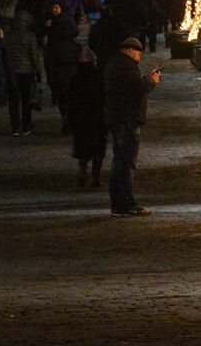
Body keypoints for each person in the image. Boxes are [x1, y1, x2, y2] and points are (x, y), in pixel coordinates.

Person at [103, 37, 160, 216]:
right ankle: (124, 205)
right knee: (126, 163)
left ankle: (121, 204)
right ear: (129, 50)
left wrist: (146, 78)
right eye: (138, 53)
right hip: (127, 119)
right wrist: (152, 81)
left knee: (121, 162)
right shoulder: (125, 66)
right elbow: (138, 87)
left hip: (120, 117)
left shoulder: (118, 64)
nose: (140, 57)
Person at [69, 48, 108, 187]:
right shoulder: (99, 76)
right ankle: (95, 177)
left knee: (82, 147)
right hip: (97, 116)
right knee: (98, 148)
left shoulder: (75, 77)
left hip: (81, 117)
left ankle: (83, 173)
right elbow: (105, 96)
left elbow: (70, 98)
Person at [3, 13, 45, 136]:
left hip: (12, 72)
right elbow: (34, 56)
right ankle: (26, 126)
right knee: (27, 101)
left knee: (14, 101)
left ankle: (15, 127)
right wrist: (38, 72)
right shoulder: (30, 36)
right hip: (27, 72)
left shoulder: (8, 36)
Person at [43, 2, 82, 132]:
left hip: (62, 76)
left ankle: (67, 121)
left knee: (64, 101)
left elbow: (49, 64)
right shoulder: (75, 47)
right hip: (69, 76)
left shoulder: (54, 46)